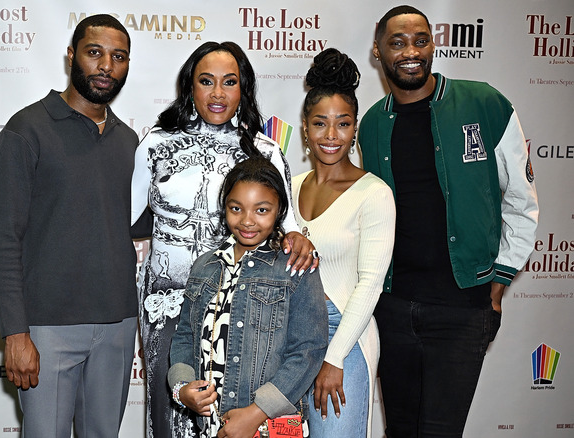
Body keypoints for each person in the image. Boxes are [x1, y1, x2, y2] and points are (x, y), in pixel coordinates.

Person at [358, 5, 539, 437]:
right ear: (378, 53)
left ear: (433, 45)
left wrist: (495, 289)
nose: (411, 51)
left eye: (421, 39)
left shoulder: (485, 103)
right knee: (400, 430)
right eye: (397, 42)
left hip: (462, 309)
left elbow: (521, 201)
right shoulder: (370, 125)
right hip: (393, 308)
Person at [130, 41, 316, 437]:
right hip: (167, 304)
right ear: (189, 87)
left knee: (234, 410)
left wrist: (301, 240)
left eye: (229, 82)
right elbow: (123, 221)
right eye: (206, 82)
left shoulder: (265, 150)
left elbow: (291, 226)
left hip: (245, 302)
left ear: (243, 88)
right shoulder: (155, 144)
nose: (217, 94)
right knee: (169, 412)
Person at [0, 14, 138, 437]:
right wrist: (15, 332)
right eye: (95, 53)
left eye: (118, 57)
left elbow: (146, 220)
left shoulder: (129, 141)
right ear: (72, 56)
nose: (106, 66)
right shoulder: (26, 129)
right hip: (46, 328)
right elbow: (2, 239)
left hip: (117, 325)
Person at [168, 156, 328, 438]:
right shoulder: (205, 265)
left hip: (267, 427)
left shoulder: (295, 266)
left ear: (279, 210)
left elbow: (308, 350)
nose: (247, 221)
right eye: (236, 208)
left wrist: (255, 414)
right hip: (211, 426)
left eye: (262, 210)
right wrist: (182, 388)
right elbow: (185, 335)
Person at [291, 48, 395, 438]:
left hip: (344, 339)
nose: (331, 136)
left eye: (343, 124)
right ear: (305, 128)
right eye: (320, 123)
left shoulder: (374, 193)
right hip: (291, 339)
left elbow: (370, 284)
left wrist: (334, 359)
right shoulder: (289, 187)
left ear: (354, 129)